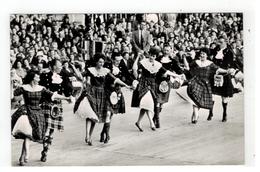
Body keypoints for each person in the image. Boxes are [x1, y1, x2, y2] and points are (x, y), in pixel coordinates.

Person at [11, 70, 72, 166]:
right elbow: (13, 95)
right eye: (37, 77)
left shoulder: (41, 88)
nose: (39, 78)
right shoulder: (24, 87)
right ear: (32, 78)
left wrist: (66, 98)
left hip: (37, 113)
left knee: (29, 134)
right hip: (26, 111)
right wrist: (12, 85)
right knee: (27, 133)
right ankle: (26, 154)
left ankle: (22, 158)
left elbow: (53, 95)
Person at [73, 53, 130, 146]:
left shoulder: (106, 71)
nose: (101, 64)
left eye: (103, 62)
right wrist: (74, 69)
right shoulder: (90, 70)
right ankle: (87, 136)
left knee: (95, 117)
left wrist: (126, 85)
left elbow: (115, 79)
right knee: (90, 114)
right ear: (96, 62)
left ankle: (90, 136)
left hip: (102, 94)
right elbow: (80, 76)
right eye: (100, 62)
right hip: (92, 92)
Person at [176, 48, 234, 124]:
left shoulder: (210, 63)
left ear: (207, 55)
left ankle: (195, 116)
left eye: (204, 54)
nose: (202, 55)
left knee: (197, 101)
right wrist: (184, 57)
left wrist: (227, 71)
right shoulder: (196, 62)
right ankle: (195, 116)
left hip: (205, 85)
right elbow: (187, 67)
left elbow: (218, 69)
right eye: (201, 53)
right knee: (194, 98)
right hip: (195, 82)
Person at [132, 47, 183, 131]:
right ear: (149, 55)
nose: (152, 57)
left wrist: (178, 76)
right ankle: (152, 123)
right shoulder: (144, 62)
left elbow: (167, 72)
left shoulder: (157, 64)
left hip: (152, 85)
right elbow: (134, 68)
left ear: (156, 57)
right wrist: (137, 57)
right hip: (143, 84)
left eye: (154, 56)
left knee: (146, 104)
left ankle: (138, 122)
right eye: (151, 55)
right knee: (147, 102)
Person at [39, 59, 76, 162]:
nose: (61, 67)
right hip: (47, 103)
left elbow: (67, 90)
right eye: (59, 66)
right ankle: (45, 146)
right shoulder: (44, 76)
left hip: (57, 104)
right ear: (52, 66)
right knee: (46, 126)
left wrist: (71, 93)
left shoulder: (62, 77)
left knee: (52, 129)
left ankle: (46, 149)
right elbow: (43, 91)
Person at [98, 52, 135, 143]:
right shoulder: (107, 65)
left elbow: (128, 75)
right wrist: (125, 85)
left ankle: (103, 132)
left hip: (116, 92)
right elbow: (108, 77)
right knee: (107, 113)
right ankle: (107, 135)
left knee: (111, 113)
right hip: (107, 91)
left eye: (120, 60)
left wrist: (134, 81)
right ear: (112, 59)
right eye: (116, 60)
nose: (118, 62)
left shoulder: (122, 65)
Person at [154, 45, 185, 128]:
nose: (165, 52)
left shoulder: (172, 61)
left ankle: (155, 116)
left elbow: (178, 69)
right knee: (157, 100)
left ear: (170, 51)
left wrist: (181, 74)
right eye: (164, 50)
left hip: (166, 82)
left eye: (167, 50)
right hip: (157, 81)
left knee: (162, 102)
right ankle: (157, 119)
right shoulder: (158, 59)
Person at [210, 37, 235, 122]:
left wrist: (228, 69)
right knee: (212, 94)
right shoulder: (216, 50)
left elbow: (230, 64)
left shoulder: (229, 52)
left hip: (224, 75)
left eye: (221, 42)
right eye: (218, 42)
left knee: (224, 96)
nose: (219, 44)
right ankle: (211, 112)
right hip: (214, 74)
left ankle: (224, 113)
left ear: (226, 42)